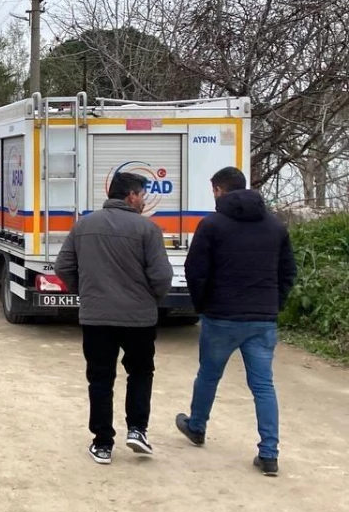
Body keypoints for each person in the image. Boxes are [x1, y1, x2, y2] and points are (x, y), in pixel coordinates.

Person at [175, 166, 297, 477]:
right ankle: (269, 453)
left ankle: (197, 426)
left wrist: (202, 305)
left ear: (218, 190)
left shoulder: (212, 225)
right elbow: (287, 273)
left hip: (221, 315)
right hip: (262, 318)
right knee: (263, 385)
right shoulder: (275, 226)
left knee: (209, 374)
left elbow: (195, 270)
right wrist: (274, 304)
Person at [54, 171, 173, 465]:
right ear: (130, 195)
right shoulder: (148, 230)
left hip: (97, 318)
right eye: (142, 195)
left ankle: (103, 443)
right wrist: (151, 300)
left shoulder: (83, 226)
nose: (144, 201)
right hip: (139, 319)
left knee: (100, 378)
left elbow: (62, 266)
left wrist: (85, 291)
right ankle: (137, 430)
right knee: (141, 372)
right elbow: (162, 276)